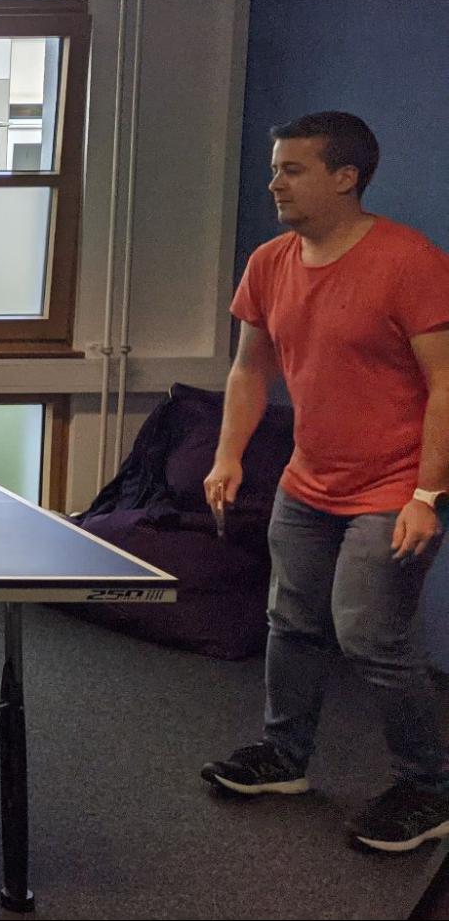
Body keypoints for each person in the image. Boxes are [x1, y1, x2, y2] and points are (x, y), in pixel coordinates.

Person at [199, 111, 449, 852]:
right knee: (292, 623)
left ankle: (428, 788)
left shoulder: (410, 262)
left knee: (371, 634)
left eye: (291, 168)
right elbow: (249, 367)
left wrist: (426, 495)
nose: (274, 180)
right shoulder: (270, 262)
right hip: (306, 483)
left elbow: (445, 383)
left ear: (346, 176)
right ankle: (284, 755)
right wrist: (228, 454)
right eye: (274, 167)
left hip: (393, 487)